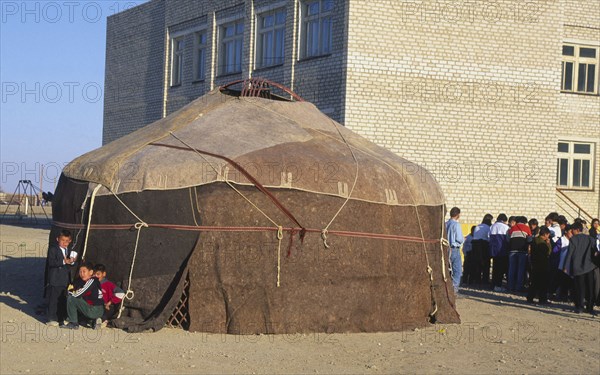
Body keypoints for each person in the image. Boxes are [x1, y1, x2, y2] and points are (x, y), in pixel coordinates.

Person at [563, 222, 599, 315]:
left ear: (577, 230)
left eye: (572, 230)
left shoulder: (573, 240)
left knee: (579, 288)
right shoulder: (590, 239)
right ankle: (590, 307)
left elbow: (569, 254)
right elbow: (595, 251)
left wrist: (565, 266)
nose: (571, 231)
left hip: (578, 268)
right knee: (590, 288)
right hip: (590, 267)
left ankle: (580, 307)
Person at [44, 230, 77, 326]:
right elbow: (51, 262)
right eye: (62, 240)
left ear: (70, 240)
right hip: (55, 279)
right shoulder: (53, 249)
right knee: (53, 299)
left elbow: (69, 265)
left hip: (65, 279)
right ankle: (51, 318)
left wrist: (72, 262)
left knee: (62, 299)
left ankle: (60, 318)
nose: (64, 243)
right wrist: (63, 261)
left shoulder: (68, 250)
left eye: (67, 241)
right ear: (57, 239)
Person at [62, 262, 105, 330]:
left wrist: (69, 291)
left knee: (71, 298)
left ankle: (73, 323)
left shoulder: (91, 281)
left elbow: (77, 295)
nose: (82, 274)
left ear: (91, 272)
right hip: (96, 308)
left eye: (84, 271)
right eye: (80, 271)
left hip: (95, 309)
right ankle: (93, 321)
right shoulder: (84, 281)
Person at [527, 227, 552, 304]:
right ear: (545, 234)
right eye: (548, 235)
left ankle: (530, 297)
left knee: (534, 282)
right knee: (543, 284)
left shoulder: (534, 240)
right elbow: (548, 253)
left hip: (535, 265)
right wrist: (549, 244)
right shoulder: (542, 243)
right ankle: (542, 299)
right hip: (542, 265)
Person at [507, 216, 532, 292]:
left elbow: (508, 239)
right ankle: (519, 287)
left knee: (511, 269)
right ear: (525, 222)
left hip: (512, 251)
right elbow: (530, 239)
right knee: (520, 270)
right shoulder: (527, 228)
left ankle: (510, 287)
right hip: (522, 251)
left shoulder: (512, 228)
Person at [445, 207, 464, 296]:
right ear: (458, 215)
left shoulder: (446, 224)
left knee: (447, 269)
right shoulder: (456, 225)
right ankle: (454, 290)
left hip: (446, 248)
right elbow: (459, 239)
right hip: (454, 248)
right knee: (457, 270)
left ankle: (447, 288)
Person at [490, 214, 510, 292]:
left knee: (495, 268)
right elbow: (508, 240)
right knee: (500, 269)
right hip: (502, 251)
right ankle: (498, 285)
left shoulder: (492, 226)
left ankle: (493, 284)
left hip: (493, 251)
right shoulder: (506, 227)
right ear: (504, 220)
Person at [472, 214, 493, 285]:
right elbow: (489, 238)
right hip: (484, 246)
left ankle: (476, 280)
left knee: (477, 264)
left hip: (475, 246)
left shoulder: (477, 226)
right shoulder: (488, 227)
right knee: (486, 264)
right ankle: (485, 280)